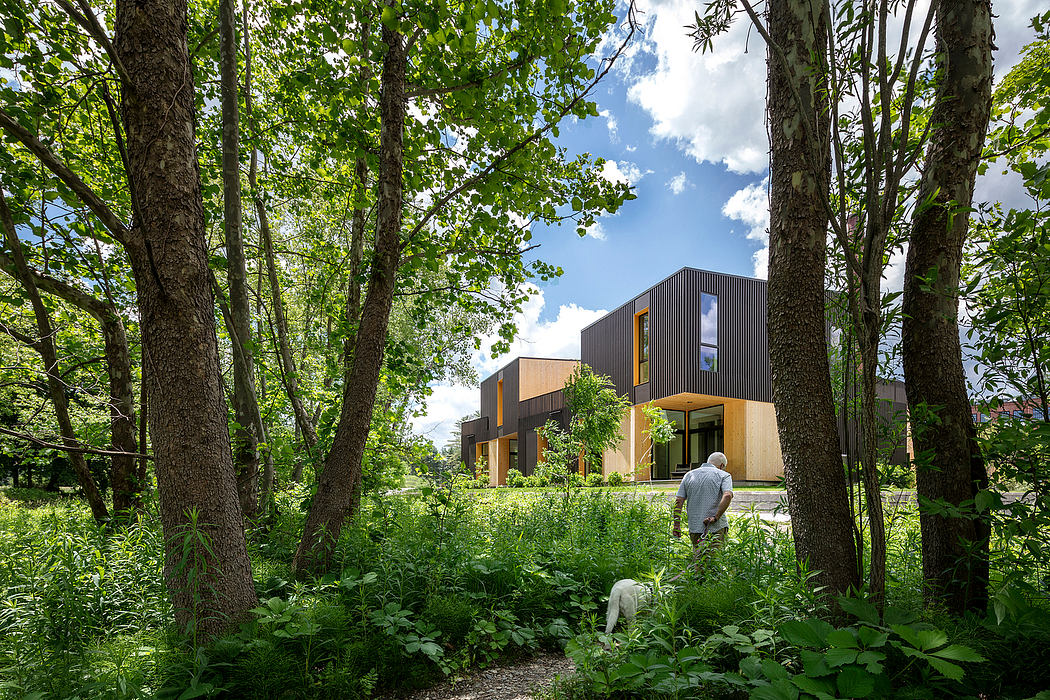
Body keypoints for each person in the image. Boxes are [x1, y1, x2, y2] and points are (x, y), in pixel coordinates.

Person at [672, 451, 733, 571]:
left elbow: (679, 501)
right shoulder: (723, 475)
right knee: (713, 562)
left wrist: (676, 525)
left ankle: (696, 585)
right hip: (716, 527)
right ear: (721, 466)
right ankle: (708, 587)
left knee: (699, 560)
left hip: (695, 527)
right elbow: (727, 496)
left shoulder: (689, 475)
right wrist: (716, 517)